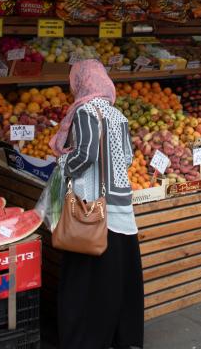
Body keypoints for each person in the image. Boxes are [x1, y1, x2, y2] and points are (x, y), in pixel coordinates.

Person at [50, 59, 143, 349]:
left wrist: (64, 162)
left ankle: (84, 339)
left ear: (80, 83)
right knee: (118, 278)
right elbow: (127, 157)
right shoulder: (118, 115)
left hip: (92, 208)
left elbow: (86, 154)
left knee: (85, 278)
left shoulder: (86, 111)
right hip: (120, 205)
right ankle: (123, 338)